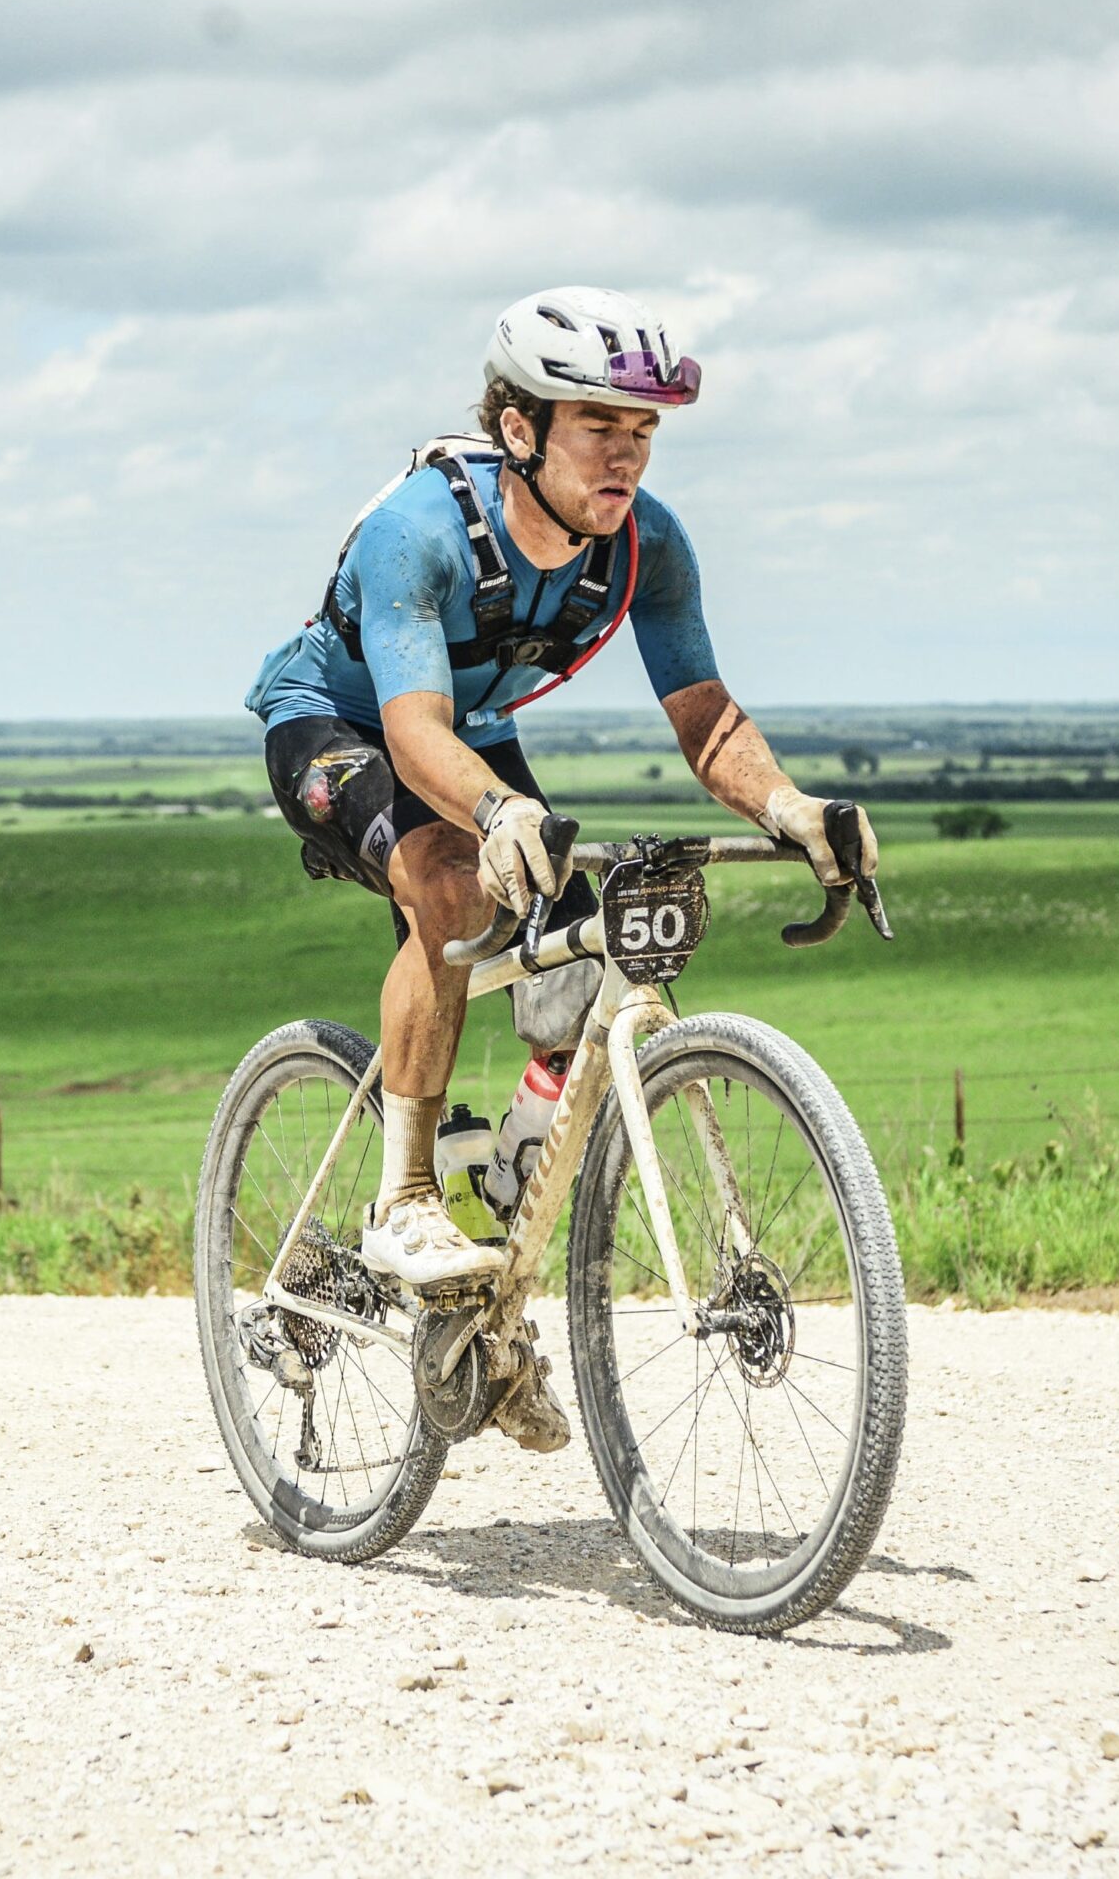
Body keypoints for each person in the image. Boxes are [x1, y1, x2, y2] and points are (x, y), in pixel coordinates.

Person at [247, 285, 878, 1450]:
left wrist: (793, 807)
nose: (627, 453)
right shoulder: (421, 531)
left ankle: (496, 1286)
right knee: (447, 881)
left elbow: (706, 719)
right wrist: (494, 811)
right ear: (519, 426)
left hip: (467, 737)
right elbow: (415, 725)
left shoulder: (647, 545)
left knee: (590, 964)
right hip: (346, 722)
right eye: (600, 426)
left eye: (643, 431)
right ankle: (405, 1194)